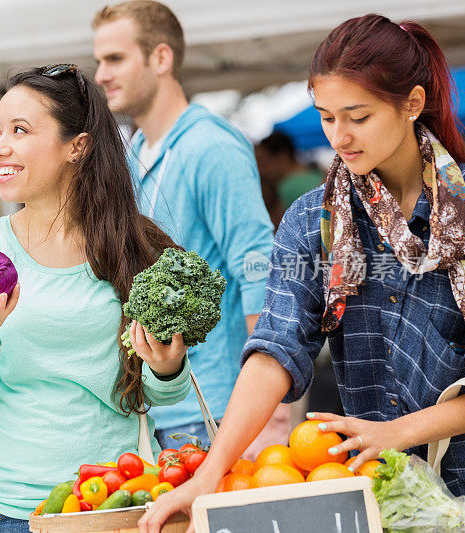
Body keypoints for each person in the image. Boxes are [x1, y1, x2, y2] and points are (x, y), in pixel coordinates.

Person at [140, 14, 465, 532]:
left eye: (357, 116)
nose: (339, 136)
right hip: (369, 493)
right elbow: (276, 345)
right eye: (326, 116)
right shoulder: (315, 221)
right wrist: (211, 472)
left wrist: (401, 432)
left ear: (412, 104)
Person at [0, 64, 191, 531]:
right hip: (4, 510)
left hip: (121, 500)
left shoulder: (136, 248)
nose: (0, 147)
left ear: (78, 146)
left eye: (20, 130)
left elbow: (159, 393)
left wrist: (166, 366)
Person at [92, 0, 286, 455]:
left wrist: (270, 404)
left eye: (115, 58)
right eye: (99, 60)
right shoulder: (135, 151)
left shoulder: (210, 145)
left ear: (161, 58)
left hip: (215, 408)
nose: (100, 74)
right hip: (155, 407)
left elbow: (258, 266)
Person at [255, 131, 324, 225]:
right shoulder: (316, 174)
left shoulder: (288, 187)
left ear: (282, 156)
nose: (260, 170)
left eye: (263, 162)